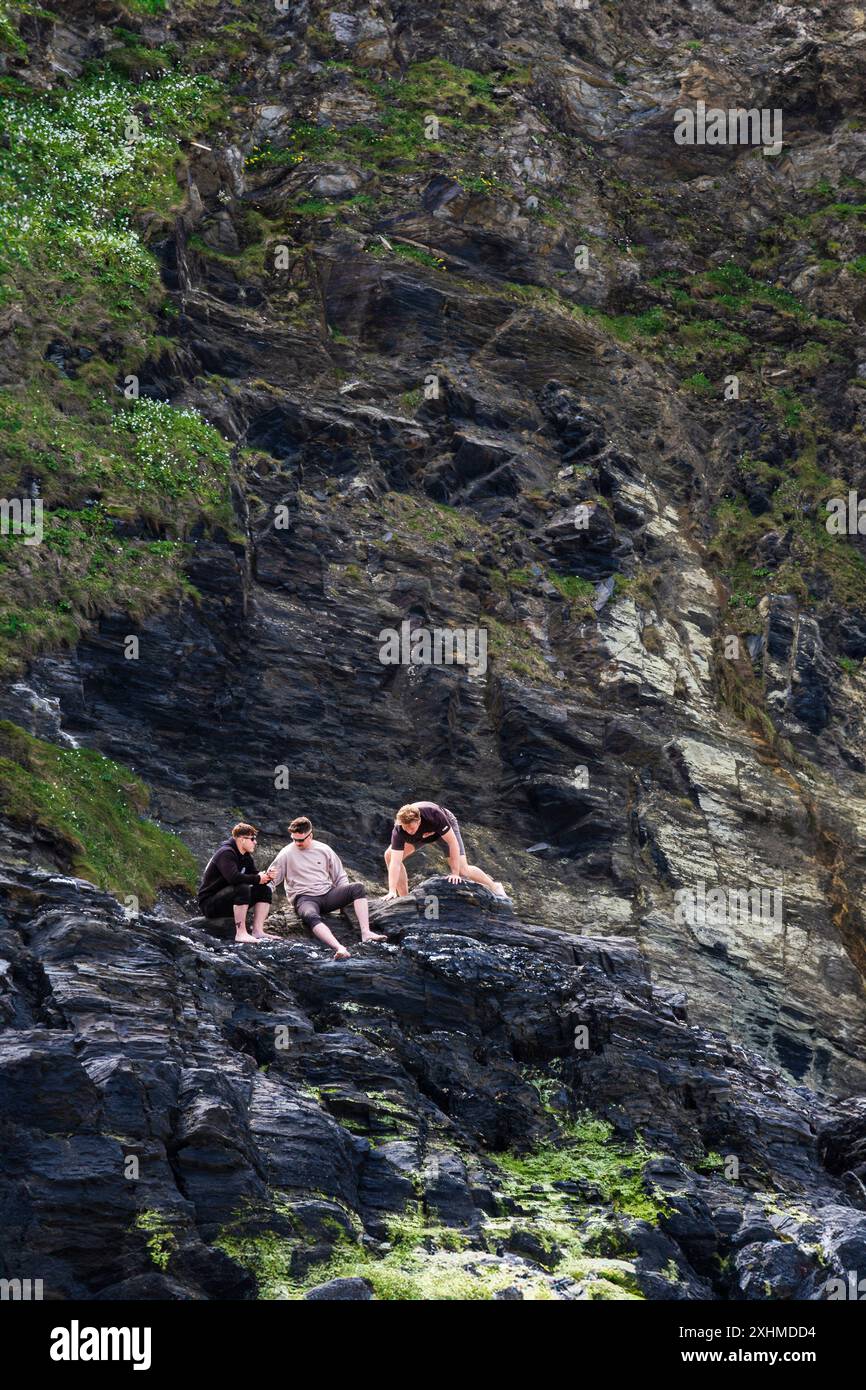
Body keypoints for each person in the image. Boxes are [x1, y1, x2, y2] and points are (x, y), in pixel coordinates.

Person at [267, 816, 386, 959]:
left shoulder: (324, 849)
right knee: (310, 916)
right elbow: (272, 879)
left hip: (327, 894)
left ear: (310, 835)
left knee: (358, 887)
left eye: (301, 840)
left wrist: (344, 902)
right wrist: (264, 893)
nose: (297, 843)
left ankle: (366, 933)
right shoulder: (286, 853)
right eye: (294, 839)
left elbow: (340, 876)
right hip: (304, 898)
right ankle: (339, 947)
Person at [384, 802, 507, 899]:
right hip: (421, 835)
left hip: (443, 829)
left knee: (463, 870)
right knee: (389, 856)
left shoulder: (434, 815)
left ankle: (494, 886)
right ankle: (404, 898)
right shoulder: (400, 829)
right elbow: (395, 862)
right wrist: (391, 890)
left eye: (411, 827)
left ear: (419, 820)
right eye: (405, 828)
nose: (408, 831)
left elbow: (452, 842)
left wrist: (455, 873)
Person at [197, 823, 278, 944]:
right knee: (242, 888)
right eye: (252, 839)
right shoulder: (226, 853)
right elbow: (233, 878)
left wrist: (267, 876)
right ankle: (240, 933)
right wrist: (257, 878)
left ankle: (258, 931)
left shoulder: (246, 856)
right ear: (241, 839)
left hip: (228, 901)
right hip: (210, 905)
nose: (255, 842)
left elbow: (255, 876)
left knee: (264, 889)